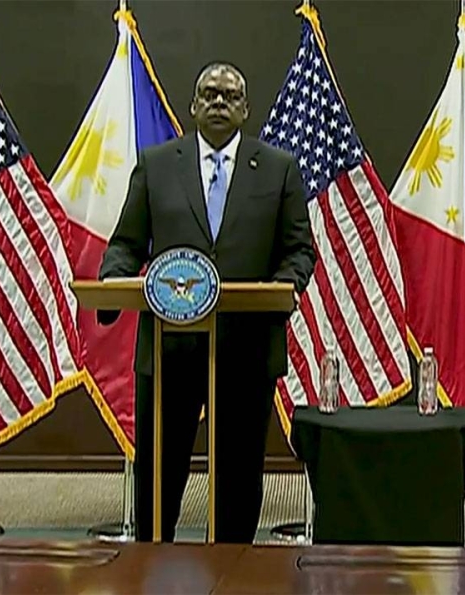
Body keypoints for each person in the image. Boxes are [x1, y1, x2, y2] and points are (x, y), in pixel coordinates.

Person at [96, 62, 316, 543]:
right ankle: (152, 561)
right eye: (209, 94)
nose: (219, 102)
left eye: (230, 95)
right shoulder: (157, 164)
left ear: (246, 110)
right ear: (193, 106)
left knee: (238, 475)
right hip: (169, 350)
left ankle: (233, 567)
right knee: (160, 469)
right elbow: (127, 244)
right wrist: (113, 281)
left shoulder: (279, 169)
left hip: (246, 348)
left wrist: (281, 290)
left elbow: (299, 251)